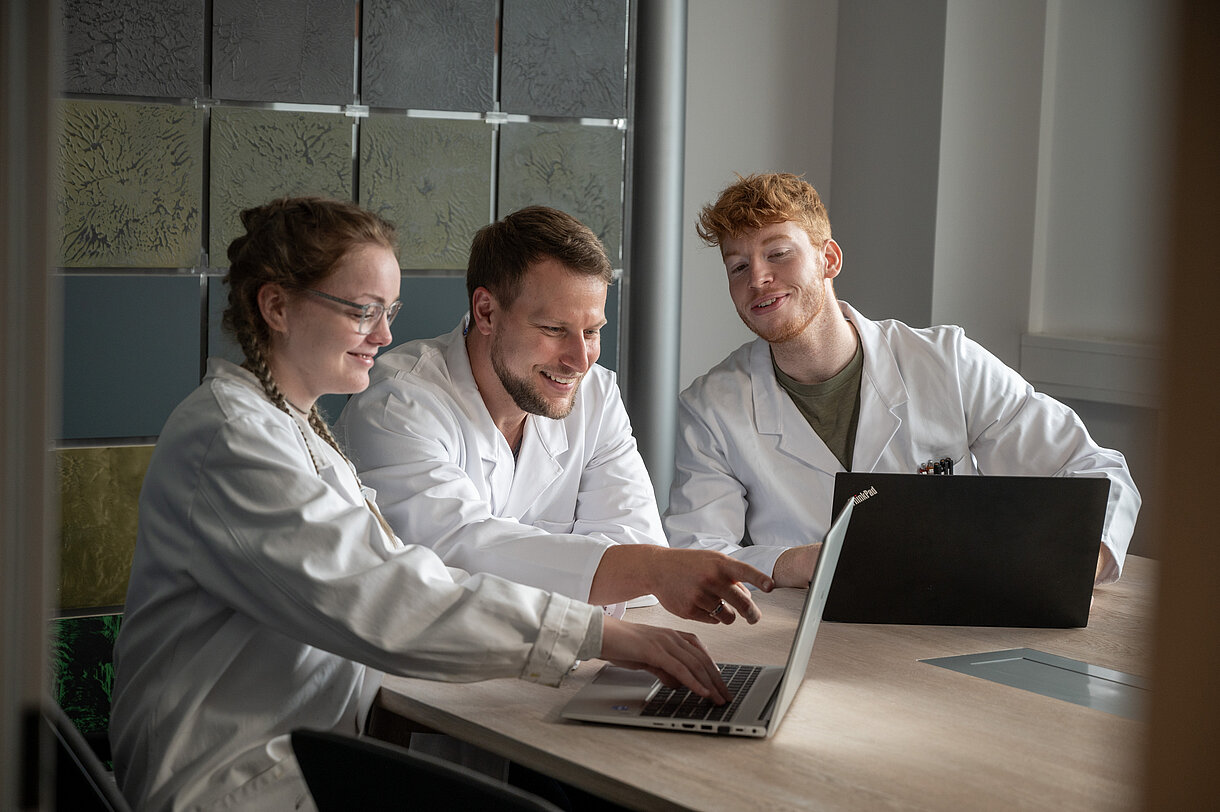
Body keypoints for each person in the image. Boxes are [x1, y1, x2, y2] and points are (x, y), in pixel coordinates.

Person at [108, 197, 731, 812]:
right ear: (276, 306)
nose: (384, 334)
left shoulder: (291, 427)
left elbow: (410, 577)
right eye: (363, 311)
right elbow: (388, 599)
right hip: (234, 781)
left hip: (311, 755)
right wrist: (599, 632)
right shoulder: (233, 439)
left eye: (389, 311)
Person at [664, 172, 1141, 588]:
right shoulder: (710, 407)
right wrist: (797, 563)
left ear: (828, 260)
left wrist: (1081, 561)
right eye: (738, 266)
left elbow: (1091, 468)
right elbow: (693, 554)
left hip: (951, 619)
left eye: (779, 254)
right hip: (800, 627)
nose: (758, 279)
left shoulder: (946, 361)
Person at [336, 205, 773, 626]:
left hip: (555, 659)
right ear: (486, 311)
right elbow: (451, 558)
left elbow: (639, 550)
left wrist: (620, 570)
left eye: (592, 331)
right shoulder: (399, 403)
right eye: (553, 330)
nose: (579, 360)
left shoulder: (596, 394)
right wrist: (626, 570)